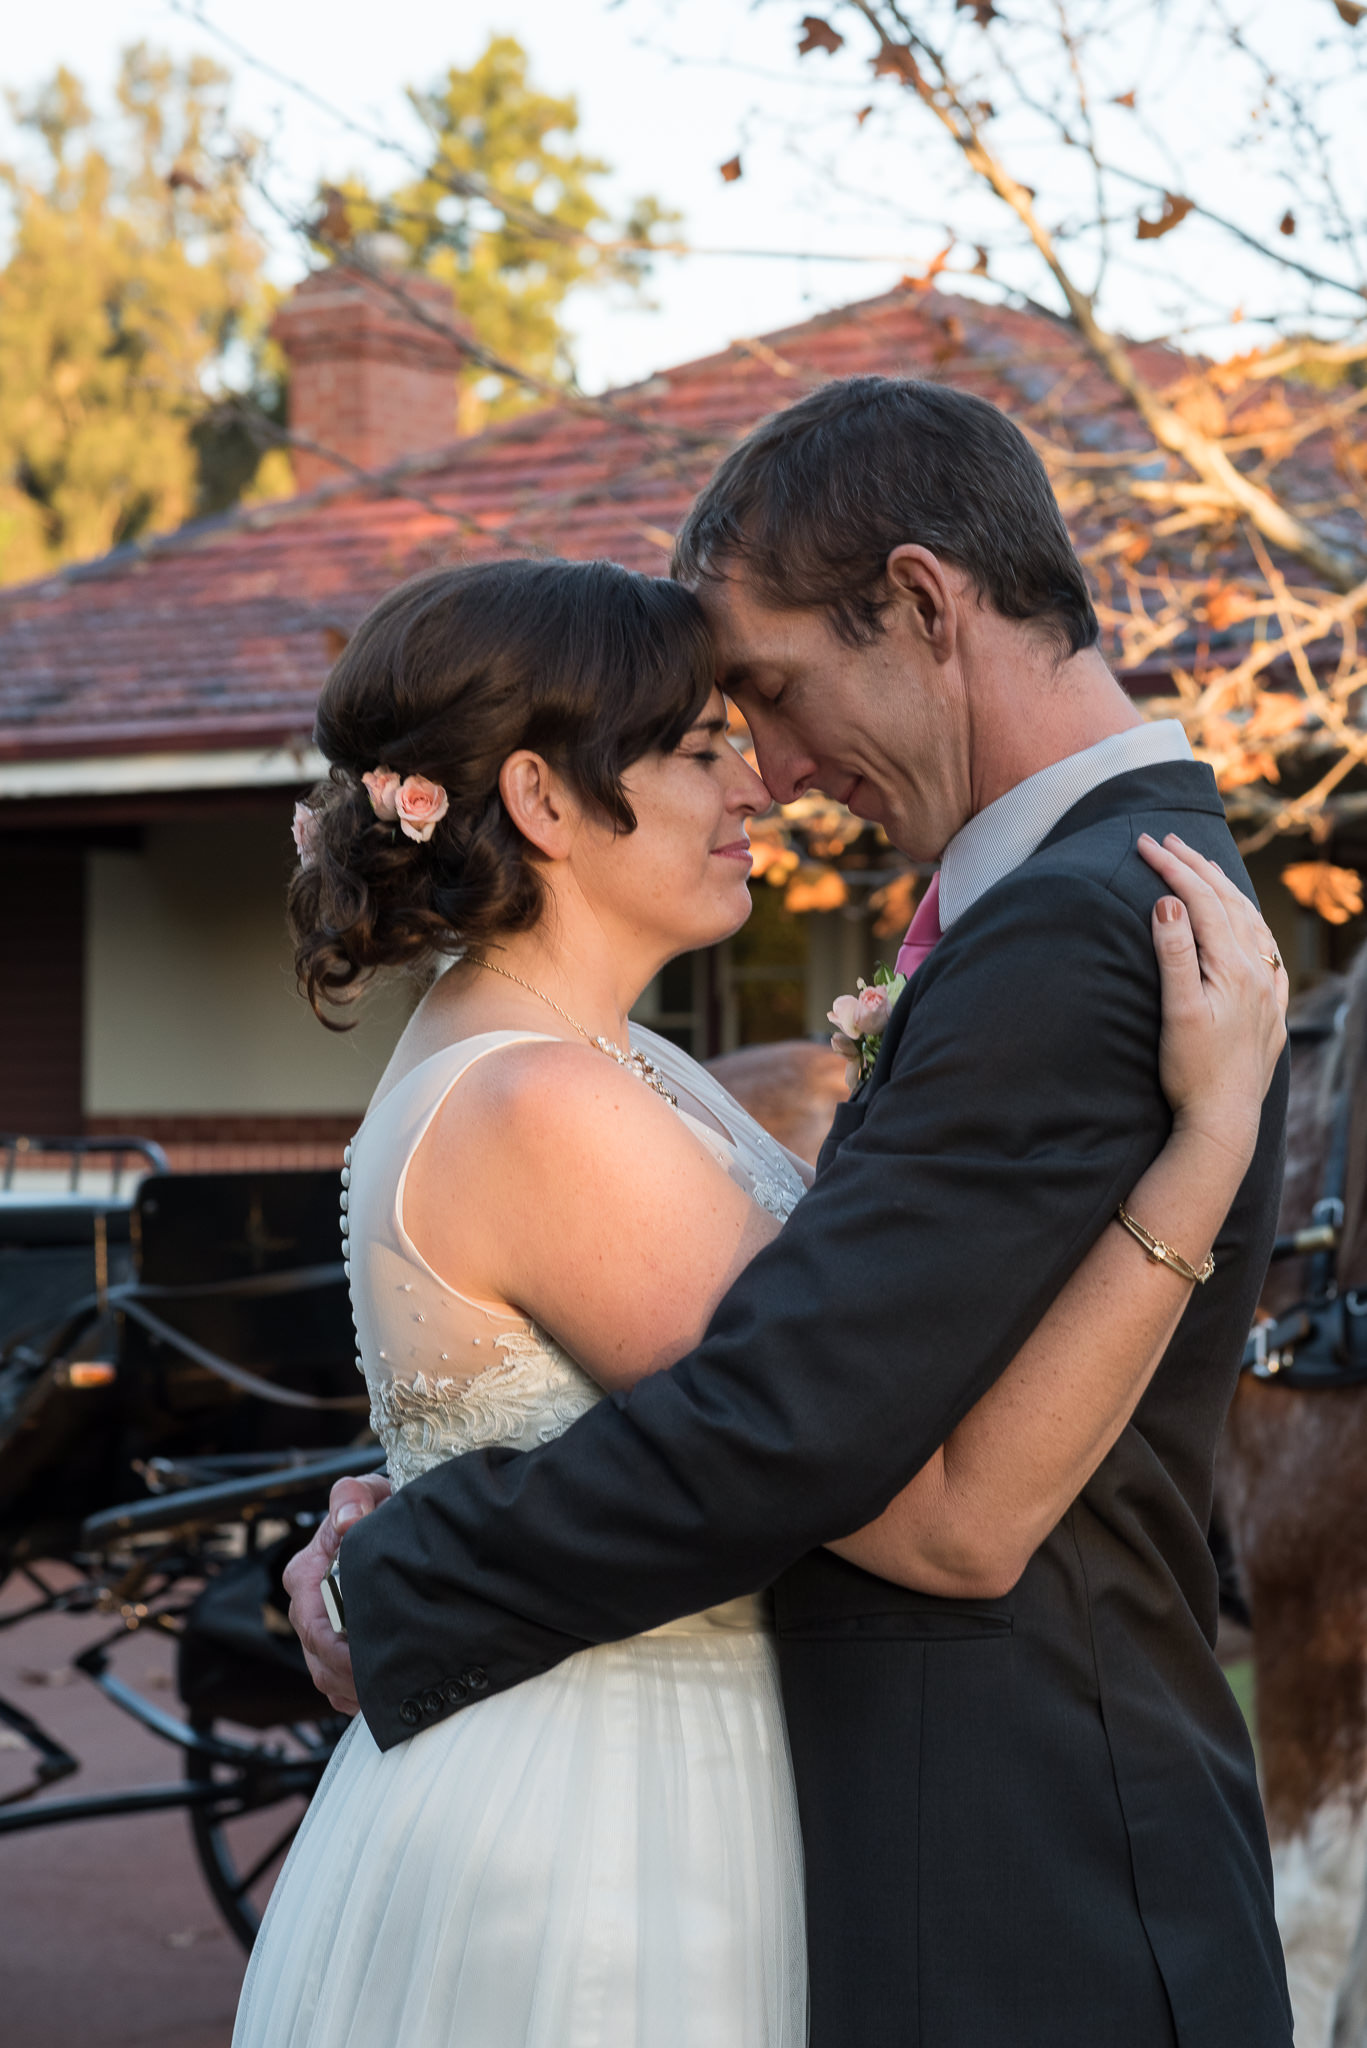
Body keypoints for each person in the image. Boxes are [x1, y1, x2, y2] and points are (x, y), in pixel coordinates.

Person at [282, 382, 1293, 2048]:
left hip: (1031, 1839)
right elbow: (795, 1380)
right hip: (688, 1833)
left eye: (762, 696)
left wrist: (407, 1563)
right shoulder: (1062, 908)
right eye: (708, 735)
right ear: (542, 803)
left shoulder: (1079, 929)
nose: (775, 768)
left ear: (920, 603)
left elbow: (823, 1444)